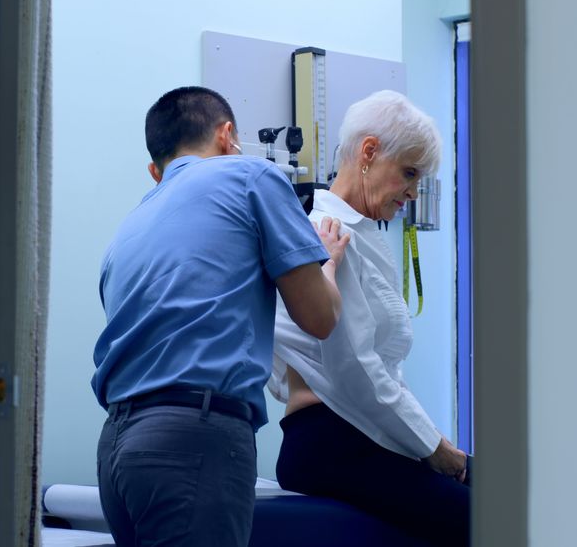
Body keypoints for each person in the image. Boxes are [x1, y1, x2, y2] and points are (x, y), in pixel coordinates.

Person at [92, 86, 347, 547]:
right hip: (193, 439)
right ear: (228, 135)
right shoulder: (252, 176)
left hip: (116, 447)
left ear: (157, 170)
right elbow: (319, 318)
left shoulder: (127, 229)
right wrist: (326, 260)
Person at [268, 90, 470, 546]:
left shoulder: (358, 235)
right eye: (410, 173)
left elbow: (381, 372)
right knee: (488, 518)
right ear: (369, 152)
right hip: (330, 440)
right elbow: (355, 369)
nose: (414, 193)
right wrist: (432, 448)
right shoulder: (327, 232)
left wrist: (435, 441)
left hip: (357, 432)